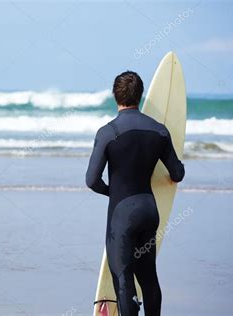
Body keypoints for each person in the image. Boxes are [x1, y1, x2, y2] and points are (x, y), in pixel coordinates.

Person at [85, 71, 185, 316]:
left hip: (122, 214)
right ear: (140, 96)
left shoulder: (108, 132)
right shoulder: (160, 131)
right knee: (148, 276)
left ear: (115, 96)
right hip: (149, 211)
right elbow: (177, 173)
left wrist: (113, 193)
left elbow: (91, 180)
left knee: (123, 279)